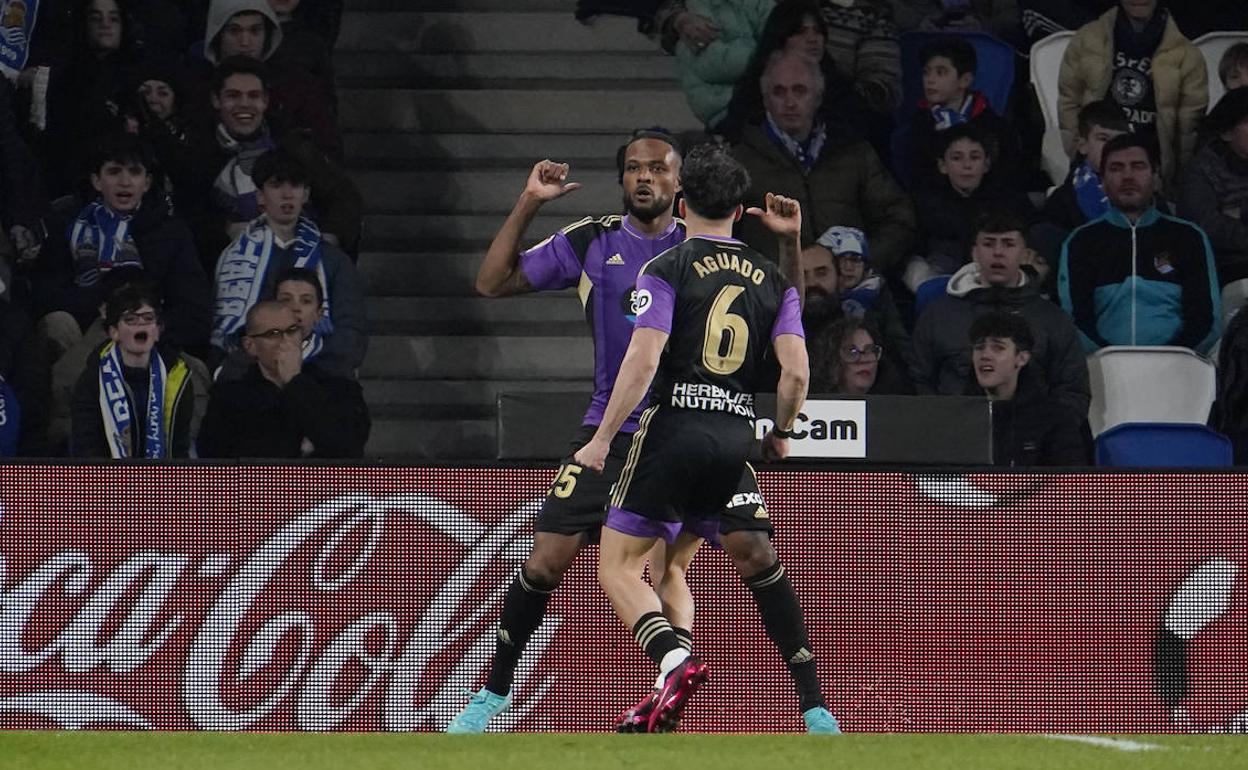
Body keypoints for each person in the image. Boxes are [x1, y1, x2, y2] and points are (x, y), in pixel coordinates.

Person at [447, 133, 838, 735]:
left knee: (726, 556)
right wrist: (529, 201)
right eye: (633, 168)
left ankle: (798, 707)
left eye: (657, 168)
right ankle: (492, 697)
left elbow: (782, 307)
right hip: (615, 425)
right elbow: (490, 283)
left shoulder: (701, 247)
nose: (643, 178)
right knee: (546, 561)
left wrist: (787, 247)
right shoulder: (594, 239)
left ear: (682, 188)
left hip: (673, 428)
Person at [573, 143, 840, 734]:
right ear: (742, 212)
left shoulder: (665, 267)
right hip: (734, 436)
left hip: (672, 430)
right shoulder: (772, 279)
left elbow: (643, 361)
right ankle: (789, 707)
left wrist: (602, 439)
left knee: (617, 567)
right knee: (673, 567)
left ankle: (673, 660)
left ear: (684, 202)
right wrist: (785, 432)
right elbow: (796, 370)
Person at [732, 50, 916, 273]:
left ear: (818, 97)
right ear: (765, 99)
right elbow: (715, 232)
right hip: (773, 294)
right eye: (779, 92)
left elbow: (898, 217)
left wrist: (863, 261)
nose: (789, 102)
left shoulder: (855, 153)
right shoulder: (738, 161)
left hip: (849, 290)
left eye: (799, 91)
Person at [913, 208, 1091, 416]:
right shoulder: (938, 315)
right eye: (988, 244)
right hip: (954, 438)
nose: (998, 252)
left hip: (1032, 441)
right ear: (975, 253)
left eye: (1008, 244)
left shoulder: (1053, 319)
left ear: (1025, 254)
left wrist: (1044, 434)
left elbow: (1073, 391)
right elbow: (917, 381)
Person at [211, 148, 365, 379]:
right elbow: (221, 338)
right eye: (276, 185)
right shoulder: (233, 258)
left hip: (321, 379)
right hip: (251, 381)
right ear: (260, 196)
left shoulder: (334, 260)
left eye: (295, 185)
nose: (287, 194)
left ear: (305, 194)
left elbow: (352, 334)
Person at [1059, 134, 1220, 352]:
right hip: (1104, 369)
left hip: (1177, 368)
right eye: (1116, 168)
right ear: (1103, 183)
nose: (1127, 176)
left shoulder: (1188, 237)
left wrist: (1171, 357)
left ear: (1155, 177)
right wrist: (1111, 359)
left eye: (1138, 166)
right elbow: (1075, 321)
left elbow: (1205, 320)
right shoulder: (1082, 241)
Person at [196, 57, 360, 266]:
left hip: (301, 264)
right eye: (233, 96)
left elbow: (345, 197)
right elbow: (191, 212)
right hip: (224, 265)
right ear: (216, 100)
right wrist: (226, 231)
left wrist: (328, 239)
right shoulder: (197, 151)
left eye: (254, 96)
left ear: (265, 100)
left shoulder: (292, 145)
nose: (244, 104)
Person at [1057, 0, 1206, 187]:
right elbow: (1069, 100)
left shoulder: (1188, 55)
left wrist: (1170, 178)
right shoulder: (1086, 39)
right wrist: (1078, 150)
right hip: (1091, 166)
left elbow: (1188, 129)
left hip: (1151, 172)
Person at [195, 300, 369, 458]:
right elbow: (213, 456)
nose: (286, 341)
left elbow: (347, 445)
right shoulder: (230, 398)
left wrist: (295, 380)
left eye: (292, 331)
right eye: (273, 334)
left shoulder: (336, 385)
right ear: (250, 346)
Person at [69, 282, 194, 458]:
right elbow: (87, 448)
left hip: (163, 481)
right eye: (131, 320)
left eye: (148, 318)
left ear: (157, 331)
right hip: (107, 481)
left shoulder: (177, 377)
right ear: (114, 332)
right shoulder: (92, 379)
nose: (141, 325)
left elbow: (180, 448)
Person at [910, 123, 1034, 288]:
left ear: (986, 164)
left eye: (974, 157)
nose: (967, 165)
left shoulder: (1009, 198)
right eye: (957, 158)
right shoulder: (926, 203)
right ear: (942, 166)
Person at [969, 311, 1089, 466]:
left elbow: (1070, 483)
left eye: (998, 348)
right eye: (979, 348)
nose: (985, 355)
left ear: (1022, 358)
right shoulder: (956, 418)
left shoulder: (1055, 420)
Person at [804, 225, 914, 388]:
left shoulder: (868, 320)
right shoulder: (776, 323)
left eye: (821, 273)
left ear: (838, 278)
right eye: (802, 275)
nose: (812, 282)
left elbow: (896, 374)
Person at [908, 36, 1014, 187]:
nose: (929, 80)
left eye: (940, 72)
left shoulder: (995, 127)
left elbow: (1007, 174)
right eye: (926, 72)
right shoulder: (919, 126)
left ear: (965, 80)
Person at [1179, 88, 1248, 285]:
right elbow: (1205, 226)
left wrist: (1237, 212)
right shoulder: (1202, 170)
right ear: (1227, 132)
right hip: (1225, 271)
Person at [671, 0, 772, 130]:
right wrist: (765, 56)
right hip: (722, 109)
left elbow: (778, 32)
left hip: (759, 104)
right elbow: (724, 64)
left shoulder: (756, 4)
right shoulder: (693, 15)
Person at [809, 316, 898, 395]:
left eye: (870, 350)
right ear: (832, 359)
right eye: (852, 352)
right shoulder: (813, 406)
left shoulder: (891, 406)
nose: (864, 359)